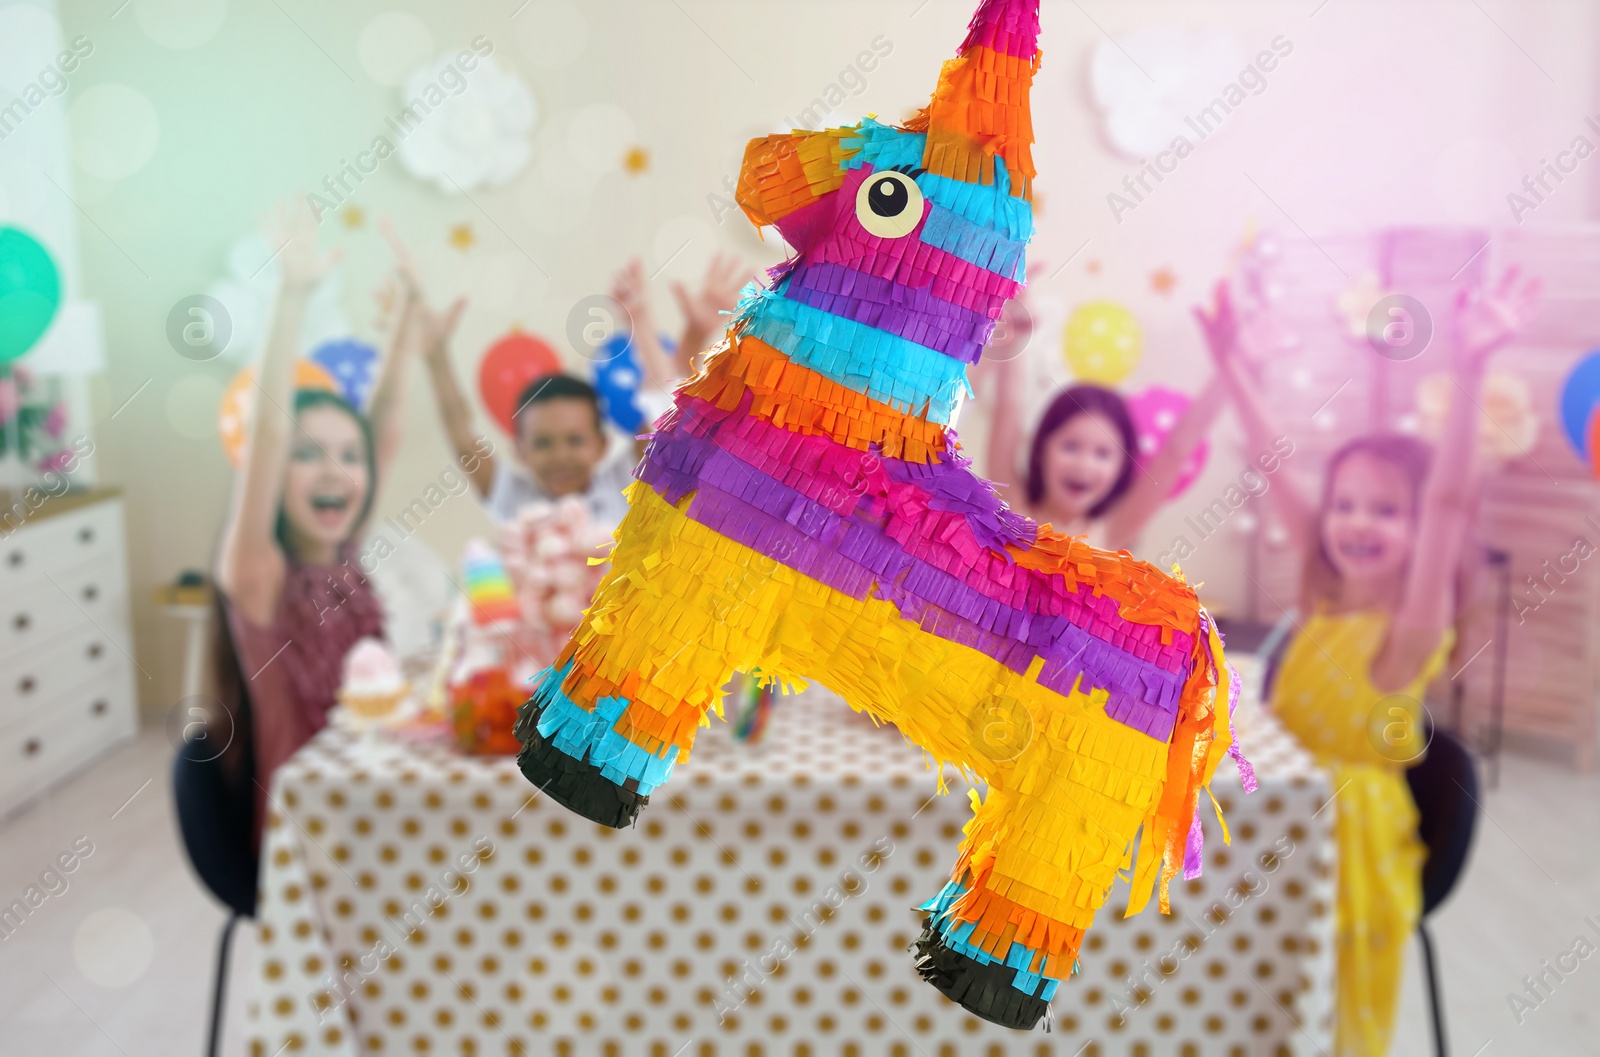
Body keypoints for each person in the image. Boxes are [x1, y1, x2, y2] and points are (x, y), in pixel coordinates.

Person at [1201, 269, 1540, 1055]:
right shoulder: (1328, 597)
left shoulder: (1409, 632)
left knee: (1322, 1019)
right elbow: (1275, 460)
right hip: (1278, 821)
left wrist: (1475, 363)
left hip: (1346, 851)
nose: (1355, 521)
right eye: (1346, 503)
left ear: (1425, 534)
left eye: (1386, 509)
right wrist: (1232, 367)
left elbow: (1453, 501)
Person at [213, 197, 422, 833]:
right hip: (308, 836)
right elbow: (269, 432)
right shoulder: (259, 576)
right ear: (275, 476)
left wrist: (410, 314)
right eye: (309, 455)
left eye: (347, 457)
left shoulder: (345, 555)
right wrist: (293, 293)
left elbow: (385, 417)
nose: (335, 471)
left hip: (376, 804)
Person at [979, 277, 1224, 552]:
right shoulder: (1013, 504)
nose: (1084, 464)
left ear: (1121, 468)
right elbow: (1008, 407)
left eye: (1103, 454)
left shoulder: (1111, 532)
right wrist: (1019, 329)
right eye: (1071, 446)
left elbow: (1175, 452)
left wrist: (1230, 367)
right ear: (1040, 450)